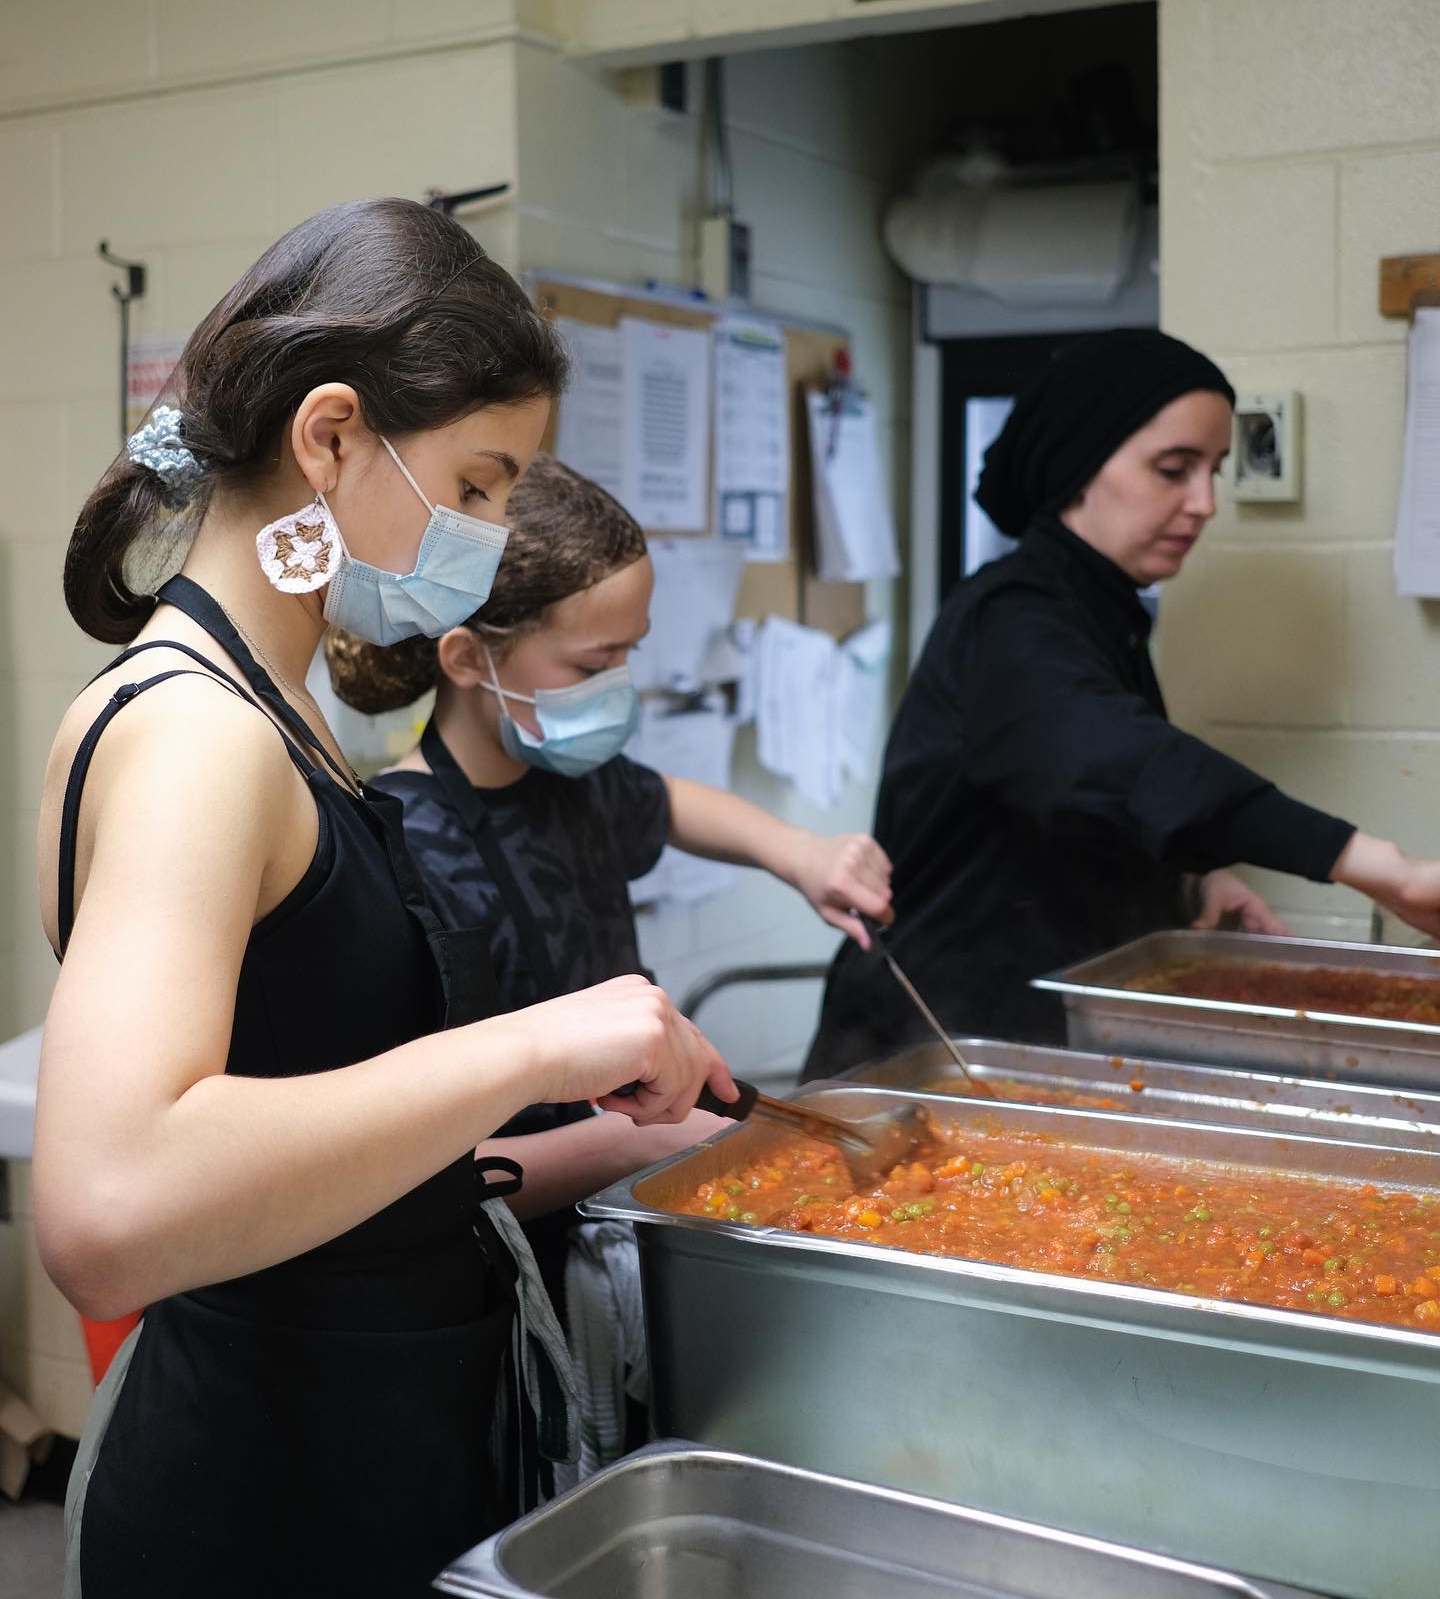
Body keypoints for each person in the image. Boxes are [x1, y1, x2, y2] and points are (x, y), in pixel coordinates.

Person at [34, 199, 736, 1599]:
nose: (486, 533)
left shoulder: (274, 712)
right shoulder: (199, 735)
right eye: (475, 487)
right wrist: (536, 1048)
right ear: (333, 437)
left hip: (363, 1453)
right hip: (263, 1505)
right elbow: (108, 1211)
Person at [325, 453, 895, 1296]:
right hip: (484, 1288)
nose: (617, 688)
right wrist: (624, 1148)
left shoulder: (576, 782)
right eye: (592, 668)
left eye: (628, 656)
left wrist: (801, 856)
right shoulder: (398, 847)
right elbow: (393, 1177)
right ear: (465, 659)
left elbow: (669, 803)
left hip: (615, 1240)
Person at [801, 327, 1440, 1079]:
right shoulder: (1011, 618)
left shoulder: (1099, 613)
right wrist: (1380, 867)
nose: (1204, 503)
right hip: (931, 1050)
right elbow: (1125, 766)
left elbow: (1071, 809)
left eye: (1213, 471)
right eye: (1173, 470)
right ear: (1077, 466)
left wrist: (1186, 878)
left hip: (1038, 1034)